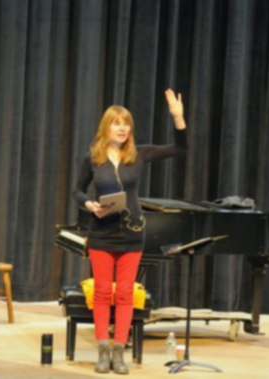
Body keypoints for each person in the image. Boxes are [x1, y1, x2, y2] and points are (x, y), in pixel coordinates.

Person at [73, 89, 188, 374]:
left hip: (133, 233)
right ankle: (102, 349)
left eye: (126, 123)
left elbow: (180, 148)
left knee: (124, 293)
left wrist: (178, 118)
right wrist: (89, 205)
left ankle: (118, 350)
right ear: (106, 126)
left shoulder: (139, 154)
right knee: (101, 292)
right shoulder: (92, 157)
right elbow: (77, 190)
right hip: (101, 233)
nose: (123, 128)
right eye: (117, 123)